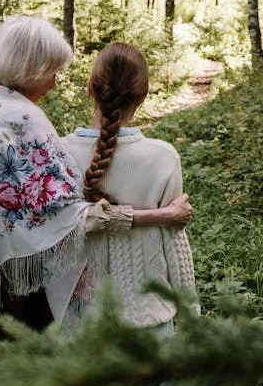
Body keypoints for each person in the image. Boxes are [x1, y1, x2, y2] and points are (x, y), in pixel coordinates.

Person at [0, 17, 193, 386]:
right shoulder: (29, 121)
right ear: (28, 70)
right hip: (10, 281)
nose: (55, 84)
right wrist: (161, 215)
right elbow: (70, 216)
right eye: (53, 73)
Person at [61, 42, 199, 338]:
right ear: (143, 96)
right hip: (149, 323)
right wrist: (190, 312)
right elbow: (174, 240)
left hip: (76, 324)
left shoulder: (56, 153)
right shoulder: (163, 157)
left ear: (91, 87)